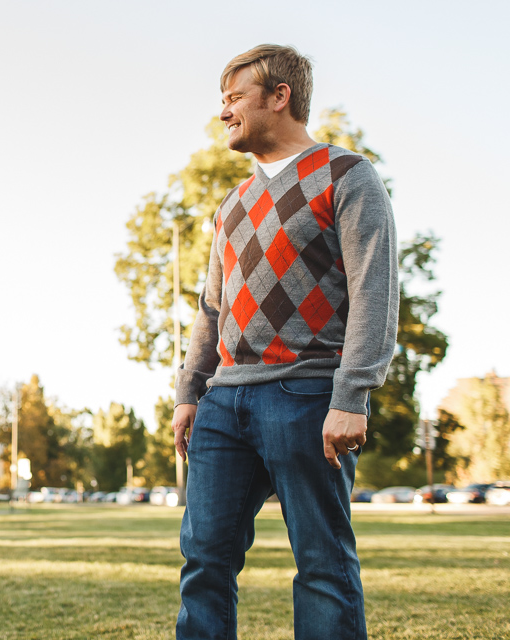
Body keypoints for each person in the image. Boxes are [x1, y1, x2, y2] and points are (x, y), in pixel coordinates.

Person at [171, 45, 397, 640]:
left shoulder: (348, 175)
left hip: (307, 394)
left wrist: (352, 396)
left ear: (280, 96)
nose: (223, 113)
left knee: (322, 565)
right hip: (224, 403)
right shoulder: (232, 205)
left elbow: (376, 294)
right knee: (203, 562)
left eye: (233, 98)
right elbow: (211, 309)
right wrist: (189, 393)